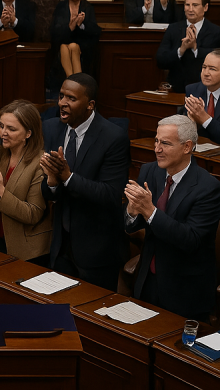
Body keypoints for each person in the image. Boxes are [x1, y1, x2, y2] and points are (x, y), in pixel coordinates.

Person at [126, 115, 220, 320]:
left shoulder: (209, 188)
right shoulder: (149, 171)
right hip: (148, 280)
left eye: (165, 143)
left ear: (187, 147)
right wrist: (132, 211)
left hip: (184, 290)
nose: (157, 149)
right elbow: (131, 224)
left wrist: (149, 211)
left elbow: (190, 239)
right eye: (156, 141)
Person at [40, 74, 131, 291]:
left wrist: (68, 177)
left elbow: (111, 195)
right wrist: (52, 181)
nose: (62, 102)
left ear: (90, 105)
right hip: (61, 244)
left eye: (71, 98)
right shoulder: (52, 128)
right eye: (61, 96)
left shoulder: (113, 137)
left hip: (97, 250)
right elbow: (50, 190)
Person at [0, 99, 52, 264]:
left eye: (11, 129)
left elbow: (33, 214)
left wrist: (0, 191)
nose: (3, 133)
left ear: (28, 133)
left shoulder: (40, 163)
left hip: (27, 251)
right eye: (1, 126)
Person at [156, 0, 220, 93]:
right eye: (187, 5)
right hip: (176, 88)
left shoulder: (216, 31)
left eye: (195, 5)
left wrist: (195, 48)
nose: (190, 9)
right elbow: (160, 60)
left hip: (203, 89)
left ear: (205, 7)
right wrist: (181, 50)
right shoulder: (173, 29)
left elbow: (218, 61)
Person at [51, 0, 101, 79]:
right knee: (64, 47)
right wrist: (72, 25)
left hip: (84, 42)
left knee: (73, 46)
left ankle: (72, 80)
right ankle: (76, 80)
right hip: (64, 40)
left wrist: (81, 25)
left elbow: (95, 30)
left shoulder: (88, 7)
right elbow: (56, 31)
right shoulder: (61, 7)